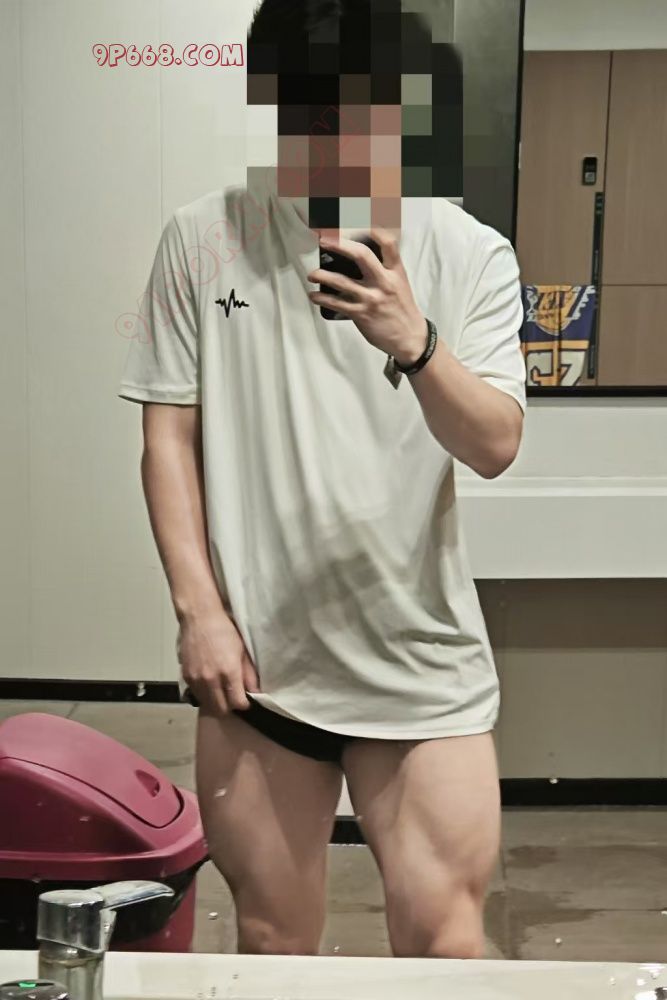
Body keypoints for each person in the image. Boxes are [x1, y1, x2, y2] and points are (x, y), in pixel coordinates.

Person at [117, 0, 527, 961]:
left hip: (420, 665)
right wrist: (198, 612)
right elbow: (167, 436)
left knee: (445, 949)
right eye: (305, 119)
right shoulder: (202, 237)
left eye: (356, 116)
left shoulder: (468, 251)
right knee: (271, 946)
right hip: (262, 666)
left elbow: (495, 443)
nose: (331, 145)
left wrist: (414, 343)